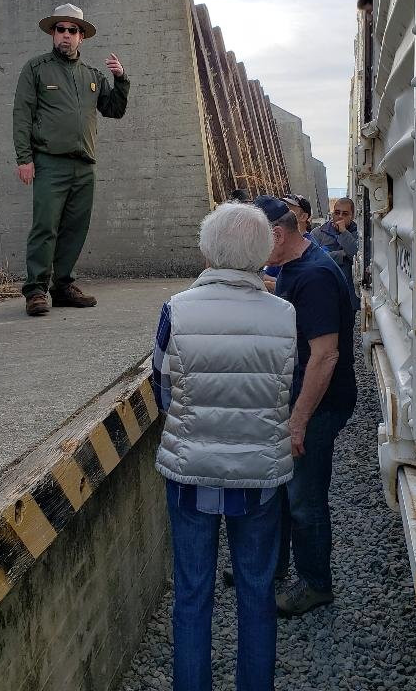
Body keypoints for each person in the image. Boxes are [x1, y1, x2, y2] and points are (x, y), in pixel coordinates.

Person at [153, 201, 297, 691]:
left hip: (190, 472)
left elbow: (164, 387)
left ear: (207, 249)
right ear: (263, 251)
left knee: (192, 595)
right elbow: (285, 388)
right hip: (258, 475)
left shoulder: (176, 309)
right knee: (256, 594)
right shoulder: (285, 314)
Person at [254, 196, 357, 617]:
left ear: (277, 235)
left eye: (256, 243)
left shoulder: (313, 275)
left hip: (319, 403)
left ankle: (315, 584)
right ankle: (274, 567)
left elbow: (325, 355)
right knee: (283, 486)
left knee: (304, 496)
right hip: (302, 395)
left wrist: (298, 421)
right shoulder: (298, 265)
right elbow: (291, 298)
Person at [13, 3, 130, 316]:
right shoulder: (36, 69)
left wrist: (120, 79)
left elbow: (114, 110)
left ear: (82, 37)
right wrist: (25, 158)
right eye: (60, 29)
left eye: (72, 30)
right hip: (50, 162)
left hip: (84, 165)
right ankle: (36, 290)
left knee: (75, 228)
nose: (66, 35)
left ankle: (62, 286)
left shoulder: (92, 76)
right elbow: (22, 115)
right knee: (45, 226)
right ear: (53, 34)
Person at [312, 197, 359, 310]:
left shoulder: (358, 234)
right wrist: (342, 255)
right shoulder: (319, 233)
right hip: (324, 292)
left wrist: (343, 232)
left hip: (348, 296)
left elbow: (356, 254)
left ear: (352, 216)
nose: (340, 216)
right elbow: (315, 259)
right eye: (337, 212)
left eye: (345, 214)